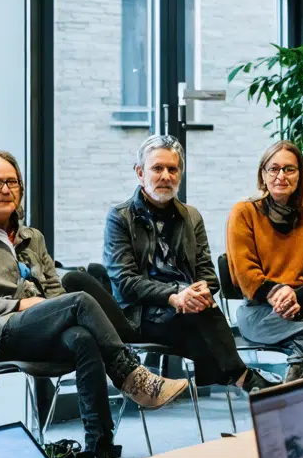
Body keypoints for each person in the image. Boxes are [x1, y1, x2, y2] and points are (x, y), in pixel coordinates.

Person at [0, 149, 188, 458]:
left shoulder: (32, 238)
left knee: (83, 339)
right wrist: (21, 303)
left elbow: (56, 294)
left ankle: (99, 449)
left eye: (12, 182)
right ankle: (132, 376)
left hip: (40, 329)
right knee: (81, 299)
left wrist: (46, 307)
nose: (6, 190)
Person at [102, 134, 274, 394]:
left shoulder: (191, 217)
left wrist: (200, 291)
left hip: (186, 312)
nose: (166, 176)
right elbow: (126, 282)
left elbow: (208, 274)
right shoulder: (120, 218)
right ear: (140, 173)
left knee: (201, 308)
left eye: (173, 169)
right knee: (202, 314)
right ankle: (243, 378)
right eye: (157, 168)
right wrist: (174, 295)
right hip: (140, 316)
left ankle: (237, 378)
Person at [226, 141, 303, 396]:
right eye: (273, 169)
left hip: (299, 310)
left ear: (300, 175)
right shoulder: (244, 212)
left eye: (289, 169)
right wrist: (278, 294)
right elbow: (244, 273)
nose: (281, 176)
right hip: (259, 313)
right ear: (263, 174)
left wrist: (296, 298)